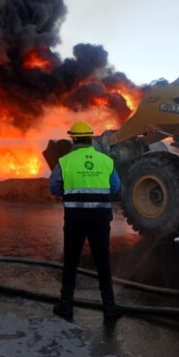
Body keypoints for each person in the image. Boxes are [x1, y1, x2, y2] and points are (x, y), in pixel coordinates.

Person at [49, 121, 122, 322]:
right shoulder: (106, 161)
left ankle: (66, 305)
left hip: (75, 219)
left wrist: (70, 189)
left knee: (71, 261)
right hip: (100, 219)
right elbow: (115, 187)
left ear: (73, 139)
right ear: (91, 139)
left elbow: (54, 187)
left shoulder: (65, 161)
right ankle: (109, 306)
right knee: (103, 262)